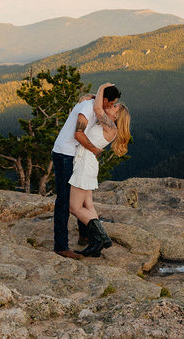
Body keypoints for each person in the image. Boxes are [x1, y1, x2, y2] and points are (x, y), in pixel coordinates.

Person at [51, 82, 121, 259]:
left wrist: (92, 94)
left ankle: (85, 234)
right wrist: (95, 150)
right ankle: (61, 246)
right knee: (65, 200)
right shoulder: (88, 109)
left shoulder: (95, 106)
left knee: (80, 199)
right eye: (112, 103)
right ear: (104, 100)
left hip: (74, 155)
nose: (112, 107)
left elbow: (93, 103)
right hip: (65, 154)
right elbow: (78, 134)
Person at [69, 83, 131, 257]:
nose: (111, 107)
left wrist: (102, 87)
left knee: (74, 207)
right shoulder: (107, 125)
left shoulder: (110, 126)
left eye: (114, 107)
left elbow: (97, 107)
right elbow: (85, 103)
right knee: (87, 205)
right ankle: (97, 241)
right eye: (111, 104)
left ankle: (101, 237)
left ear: (117, 115)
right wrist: (89, 96)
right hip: (87, 163)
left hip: (85, 164)